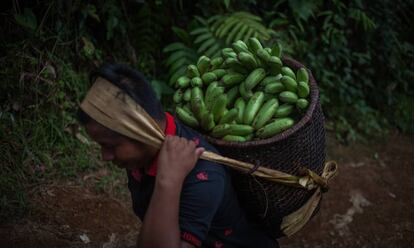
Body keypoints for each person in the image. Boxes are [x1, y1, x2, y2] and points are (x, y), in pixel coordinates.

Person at [78, 63, 279, 248]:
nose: (105, 156)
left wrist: (168, 181)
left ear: (140, 131)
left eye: (110, 146)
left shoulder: (204, 176)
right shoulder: (141, 155)